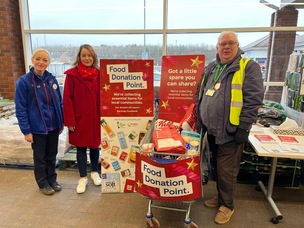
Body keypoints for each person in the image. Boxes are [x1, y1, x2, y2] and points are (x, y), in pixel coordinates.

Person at [196, 31, 264, 224]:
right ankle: (220, 197)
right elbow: (199, 93)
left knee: (227, 170)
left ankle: (227, 205)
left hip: (231, 131)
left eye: (230, 43)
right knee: (216, 167)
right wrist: (200, 117)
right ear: (217, 47)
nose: (226, 47)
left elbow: (253, 100)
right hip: (211, 130)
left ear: (237, 45)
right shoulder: (211, 67)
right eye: (222, 44)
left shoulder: (247, 67)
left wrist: (244, 126)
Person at [15, 48, 64, 196]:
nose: (41, 62)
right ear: (32, 60)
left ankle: (52, 179)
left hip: (53, 126)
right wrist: (26, 131)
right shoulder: (24, 82)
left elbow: (59, 103)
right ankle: (43, 183)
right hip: (37, 128)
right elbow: (21, 108)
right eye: (38, 59)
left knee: (52, 155)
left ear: (49, 63)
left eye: (45, 60)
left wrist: (60, 123)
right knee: (40, 158)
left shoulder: (51, 80)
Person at [63, 44, 101, 194]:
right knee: (80, 147)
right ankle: (83, 177)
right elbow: (67, 99)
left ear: (94, 57)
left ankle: (94, 172)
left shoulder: (99, 74)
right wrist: (70, 121)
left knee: (94, 146)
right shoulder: (72, 75)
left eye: (89, 55)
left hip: (96, 118)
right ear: (79, 57)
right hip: (79, 119)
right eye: (84, 55)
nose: (87, 58)